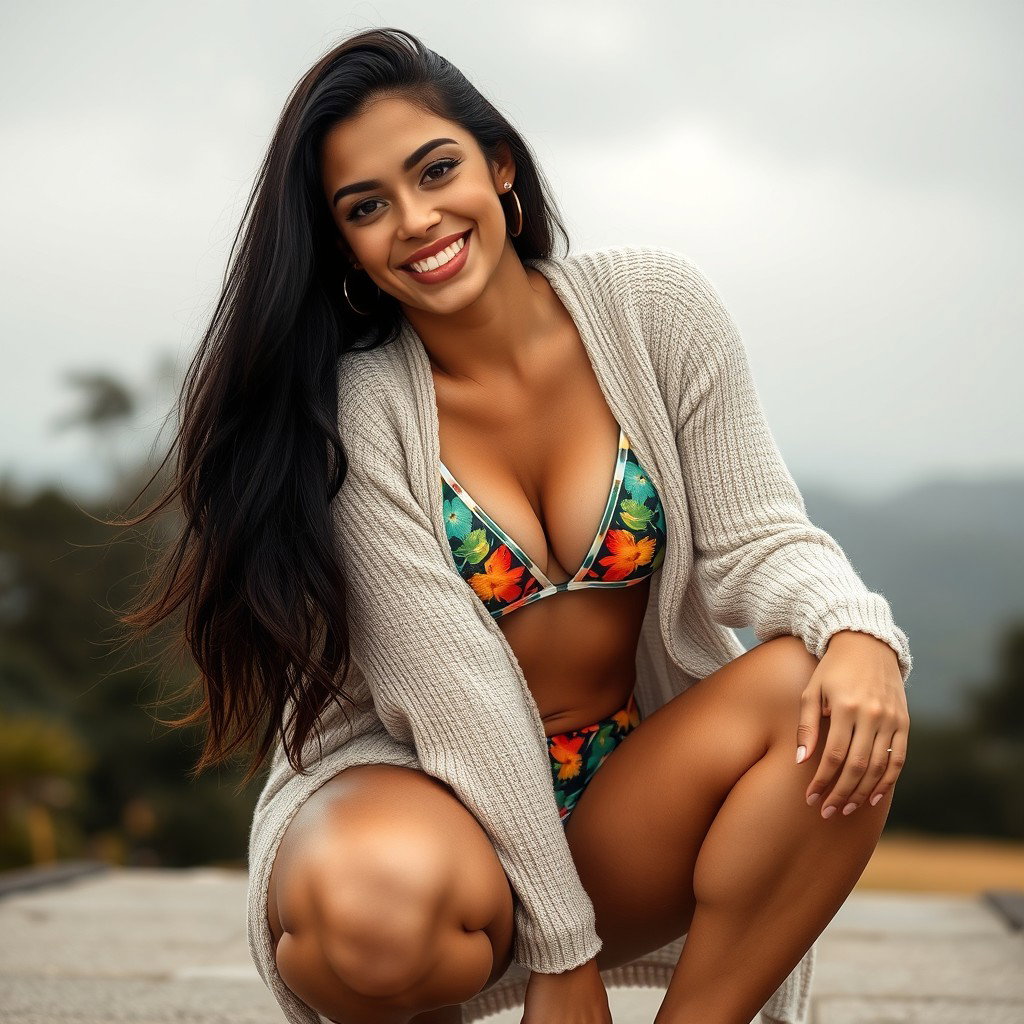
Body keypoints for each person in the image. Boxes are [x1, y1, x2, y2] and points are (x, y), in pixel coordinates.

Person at [128, 25, 912, 1024]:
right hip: (421, 802)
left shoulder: (654, 310)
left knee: (822, 694)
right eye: (366, 207)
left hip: (624, 791)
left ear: (499, 165)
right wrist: (563, 953)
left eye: (435, 170)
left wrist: (856, 631)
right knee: (369, 916)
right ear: (344, 247)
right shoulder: (352, 413)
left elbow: (757, 535)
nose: (415, 219)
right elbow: (455, 693)